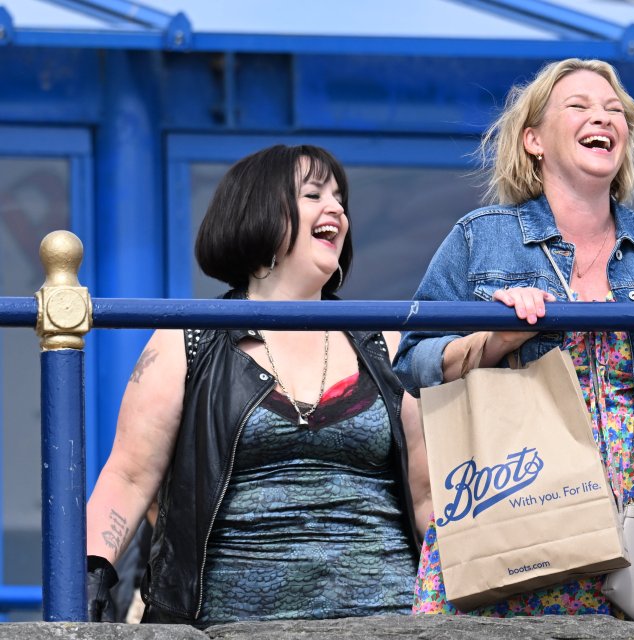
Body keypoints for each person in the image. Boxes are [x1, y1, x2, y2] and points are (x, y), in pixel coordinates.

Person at [393, 58, 634, 629]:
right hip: (517, 505)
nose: (603, 117)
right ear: (533, 140)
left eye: (614, 110)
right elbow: (413, 362)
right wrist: (494, 340)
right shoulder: (481, 239)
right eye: (578, 106)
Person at [84, 144, 431, 626]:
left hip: (388, 624)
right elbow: (127, 477)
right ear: (260, 213)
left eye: (339, 199)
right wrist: (90, 576)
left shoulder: (386, 343)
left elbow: (428, 500)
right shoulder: (188, 340)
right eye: (313, 195)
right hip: (229, 628)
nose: (336, 208)